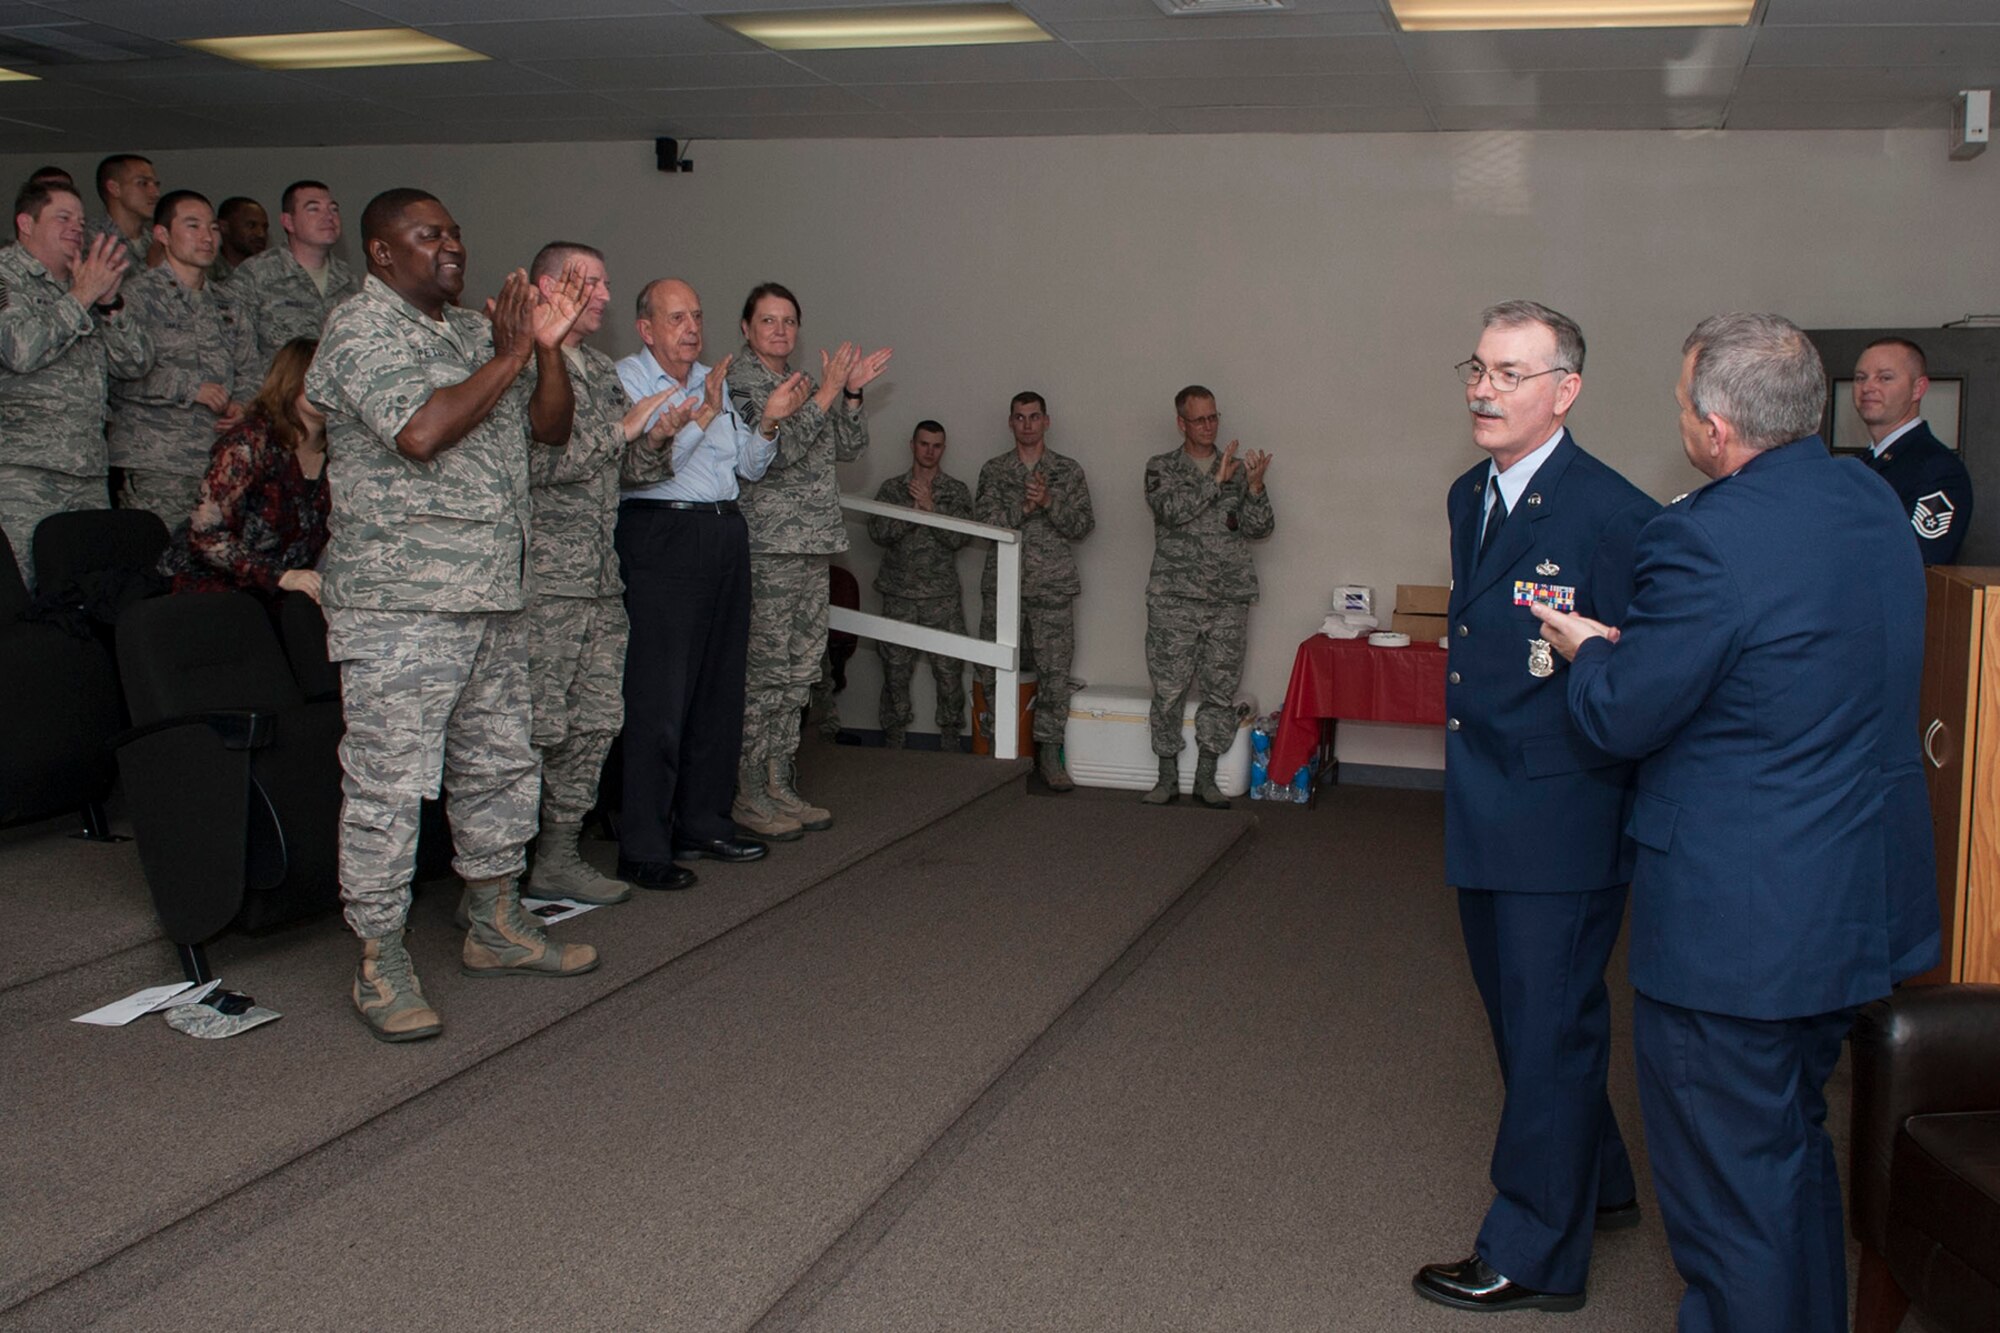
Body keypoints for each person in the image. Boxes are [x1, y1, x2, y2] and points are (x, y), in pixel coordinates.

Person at [1532, 313, 1940, 1333]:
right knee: (1789, 1156)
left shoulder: (1699, 535)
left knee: (1726, 1209)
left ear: (1714, 428)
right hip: (1851, 903)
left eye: (1678, 403)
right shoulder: (1867, 500)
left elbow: (1624, 716)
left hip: (1738, 931)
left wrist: (1592, 652)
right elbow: (1782, 666)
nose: (1679, 419)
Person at [306, 187, 598, 1043]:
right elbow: (422, 432)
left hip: (491, 594)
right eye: (428, 234)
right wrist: (513, 353)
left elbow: (550, 430)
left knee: (500, 766)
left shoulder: (476, 332)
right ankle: (379, 956)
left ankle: (495, 920)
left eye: (457, 232)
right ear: (382, 253)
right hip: (401, 607)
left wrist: (541, 352)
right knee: (390, 788)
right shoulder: (359, 331)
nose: (452, 246)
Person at [1415, 301, 1659, 1316]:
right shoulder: (1468, 491)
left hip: (1562, 815)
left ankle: (1532, 1250)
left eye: (1510, 373)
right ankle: (1593, 1182)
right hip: (1484, 802)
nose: (1483, 387)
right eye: (1475, 366)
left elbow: (1639, 675)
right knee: (1526, 1023)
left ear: (1564, 391)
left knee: (1548, 1025)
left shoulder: (1614, 515)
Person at [614, 278, 808, 884]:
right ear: (647, 328)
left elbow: (743, 467)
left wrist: (769, 426)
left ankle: (703, 822)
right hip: (662, 533)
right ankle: (644, 843)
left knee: (718, 691)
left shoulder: (709, 380)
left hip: (724, 531)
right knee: (660, 696)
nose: (692, 328)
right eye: (677, 318)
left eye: (697, 315)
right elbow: (643, 469)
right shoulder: (627, 379)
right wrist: (698, 416)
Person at [726, 282, 891, 839]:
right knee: (765, 676)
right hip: (770, 547)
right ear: (747, 329)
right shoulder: (742, 383)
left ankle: (780, 782)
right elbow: (781, 448)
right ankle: (749, 791)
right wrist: (824, 393)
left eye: (790, 321)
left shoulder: (800, 384)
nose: (780, 330)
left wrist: (850, 397)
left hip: (813, 545)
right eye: (768, 321)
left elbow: (847, 449)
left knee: (799, 674)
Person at [516, 240, 636, 908]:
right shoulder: (526, 360)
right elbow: (539, 462)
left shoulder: (598, 366)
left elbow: (623, 471)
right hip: (547, 583)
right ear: (547, 284)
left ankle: (558, 856)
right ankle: (497, 873)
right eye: (593, 283)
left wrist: (665, 429)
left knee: (595, 721)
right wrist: (621, 433)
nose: (606, 297)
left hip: (600, 579)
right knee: (536, 726)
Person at [0, 180, 151, 587]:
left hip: (86, 471)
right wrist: (82, 296)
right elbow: (20, 350)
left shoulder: (84, 283)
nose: (76, 228)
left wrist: (110, 304)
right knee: (23, 594)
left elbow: (135, 363)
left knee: (89, 594)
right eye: (62, 218)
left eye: (81, 221)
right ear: (25, 224)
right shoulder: (5, 278)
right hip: (26, 472)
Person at [1140, 385, 1272, 809]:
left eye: (1213, 417)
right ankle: (1165, 777)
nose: (1209, 426)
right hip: (1174, 599)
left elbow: (1259, 529)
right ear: (1181, 423)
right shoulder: (1161, 468)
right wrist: (1216, 483)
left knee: (1219, 691)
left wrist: (1253, 488)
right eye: (1199, 419)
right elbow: (1171, 511)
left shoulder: (1235, 468)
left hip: (1227, 599)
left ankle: (1206, 778)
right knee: (1168, 690)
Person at [108, 191, 261, 522]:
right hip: (159, 464)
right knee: (159, 563)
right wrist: (191, 388)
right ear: (162, 234)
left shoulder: (229, 303)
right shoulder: (134, 298)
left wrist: (243, 405)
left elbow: (251, 371)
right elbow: (118, 376)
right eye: (192, 226)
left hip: (220, 461)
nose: (207, 237)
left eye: (213, 228)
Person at [974, 392, 1094, 790]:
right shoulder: (994, 471)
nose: (1027, 424)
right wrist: (1023, 511)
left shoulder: (1067, 470)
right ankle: (997, 751)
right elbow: (986, 526)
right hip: (1005, 588)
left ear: (1047, 421)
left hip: (1053, 587)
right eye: (1020, 417)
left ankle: (1048, 754)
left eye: (1034, 417)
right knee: (994, 671)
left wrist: (1048, 502)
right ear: (1011, 423)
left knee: (1054, 674)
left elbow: (1082, 526)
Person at [158, 337, 328, 600]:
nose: (332, 389)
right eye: (318, 378)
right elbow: (206, 535)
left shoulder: (340, 452)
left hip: (285, 596)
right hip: (217, 594)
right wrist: (280, 576)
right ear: (292, 382)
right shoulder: (250, 441)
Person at [867, 419, 974, 750]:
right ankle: (895, 736)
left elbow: (960, 538)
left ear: (944, 448)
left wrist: (932, 508)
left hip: (940, 597)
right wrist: (911, 511)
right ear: (912, 445)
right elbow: (878, 533)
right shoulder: (891, 489)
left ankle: (951, 738)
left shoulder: (955, 491)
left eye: (937, 445)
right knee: (895, 671)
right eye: (924, 443)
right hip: (899, 594)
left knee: (949, 671)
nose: (930, 451)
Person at [1853, 336, 1973, 564]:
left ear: (1918, 389)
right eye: (1860, 378)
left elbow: (1917, 559)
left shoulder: (1938, 469)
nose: (1868, 387)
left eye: (1885, 378)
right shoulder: (1859, 464)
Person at [225, 180, 359, 369]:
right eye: (314, 209)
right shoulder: (255, 274)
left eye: (333, 209)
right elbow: (233, 351)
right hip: (275, 394)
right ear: (288, 222)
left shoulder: (347, 279)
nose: (329, 216)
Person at [87, 154, 158, 271]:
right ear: (114, 188)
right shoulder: (89, 240)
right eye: (143, 183)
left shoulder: (157, 244)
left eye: (156, 185)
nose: (155, 193)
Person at [209, 196, 269, 285]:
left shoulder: (273, 273)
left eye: (265, 227)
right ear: (224, 227)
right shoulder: (205, 276)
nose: (261, 234)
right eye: (251, 225)